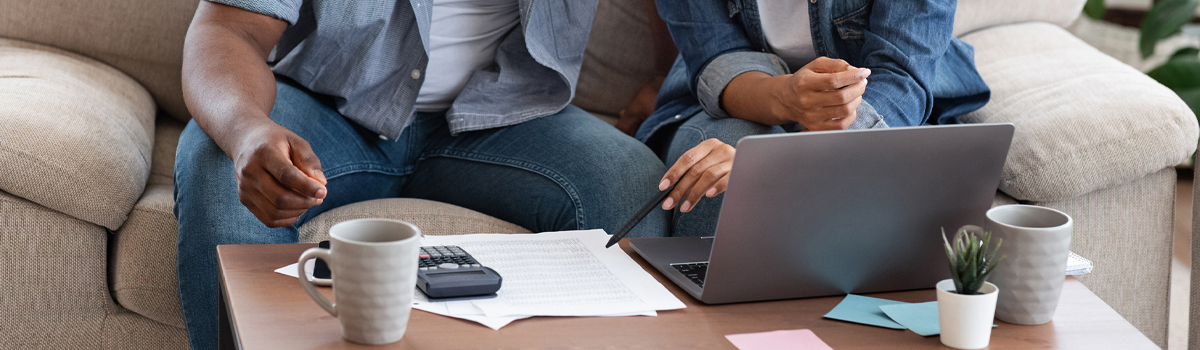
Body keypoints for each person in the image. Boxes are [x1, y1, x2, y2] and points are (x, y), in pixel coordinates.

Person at [174, 0, 669, 348]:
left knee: (630, 185)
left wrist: (660, 75)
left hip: (505, 116)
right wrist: (247, 130)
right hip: (328, 108)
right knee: (219, 166)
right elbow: (228, 29)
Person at [637, 0, 992, 237]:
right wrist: (788, 99)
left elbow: (900, 79)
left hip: (873, 109)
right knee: (729, 192)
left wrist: (778, 160)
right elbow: (716, 54)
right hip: (733, 99)